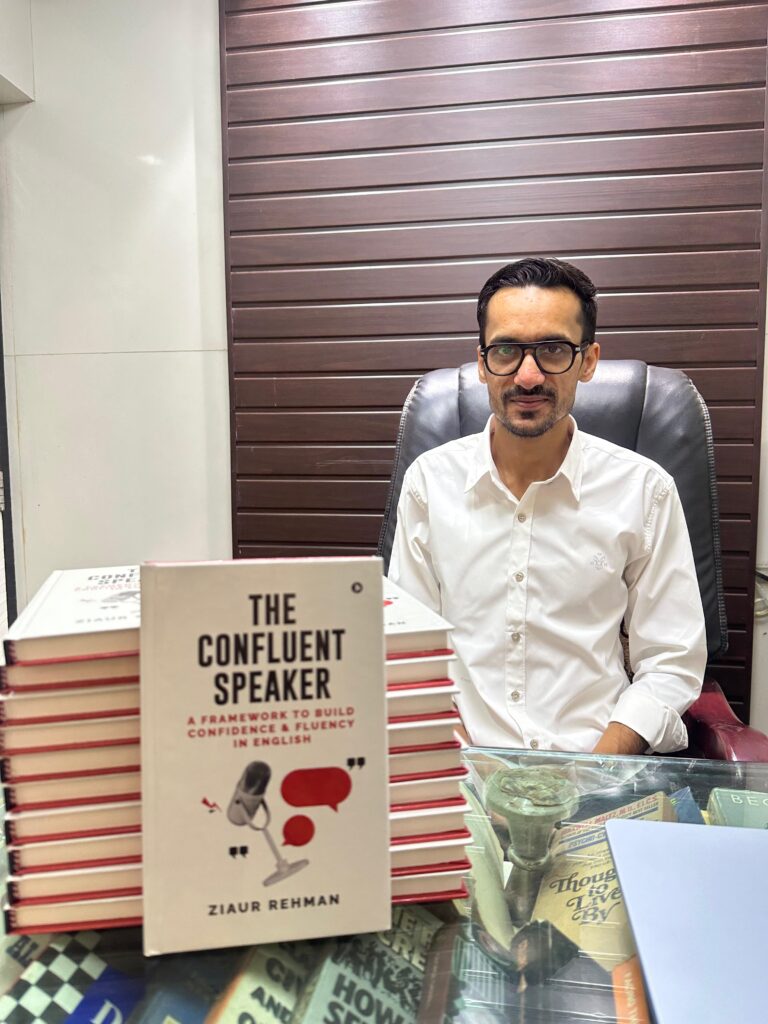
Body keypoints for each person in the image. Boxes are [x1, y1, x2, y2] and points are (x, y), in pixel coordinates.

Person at [388, 257, 706, 755]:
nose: (528, 376)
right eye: (506, 350)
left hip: (596, 764)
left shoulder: (645, 490)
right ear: (482, 363)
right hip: (466, 767)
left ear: (588, 360)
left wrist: (594, 771)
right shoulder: (430, 483)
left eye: (554, 350)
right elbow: (411, 655)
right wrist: (467, 770)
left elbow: (670, 661)